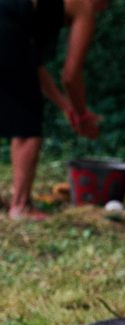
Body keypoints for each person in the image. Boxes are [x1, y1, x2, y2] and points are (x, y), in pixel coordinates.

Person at [0, 0, 107, 219]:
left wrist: (66, 107)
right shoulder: (85, 5)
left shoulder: (41, 14)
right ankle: (21, 206)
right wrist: (83, 115)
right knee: (27, 118)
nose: (102, 10)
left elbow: (34, 67)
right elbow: (70, 76)